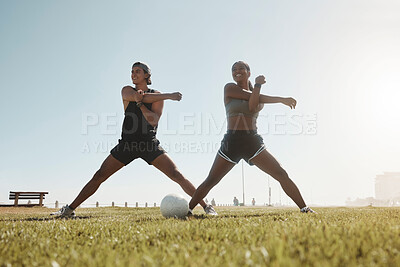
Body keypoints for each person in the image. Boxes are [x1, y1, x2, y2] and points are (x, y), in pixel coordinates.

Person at [51, 62, 217, 217]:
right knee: (99, 175)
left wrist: (141, 104)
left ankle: (206, 206)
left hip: (148, 143)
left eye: (137, 71)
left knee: (176, 174)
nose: (133, 74)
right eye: (132, 71)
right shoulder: (126, 90)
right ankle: (69, 209)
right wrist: (169, 96)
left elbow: (153, 120)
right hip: (127, 144)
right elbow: (137, 97)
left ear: (146, 75)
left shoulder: (157, 95)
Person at [188, 61, 315, 215]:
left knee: (281, 174)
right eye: (234, 69)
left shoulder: (257, 94)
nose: (237, 71)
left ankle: (304, 208)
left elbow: (252, 106)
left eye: (241, 68)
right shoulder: (229, 88)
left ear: (249, 72)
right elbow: (251, 97)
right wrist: (280, 98)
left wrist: (258, 87)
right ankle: (187, 210)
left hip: (252, 142)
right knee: (211, 180)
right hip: (232, 141)